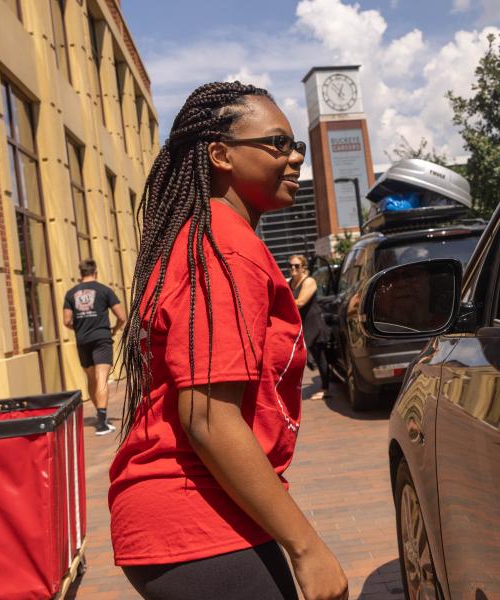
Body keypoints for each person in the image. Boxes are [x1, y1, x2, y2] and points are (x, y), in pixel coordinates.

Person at [108, 82, 348, 600]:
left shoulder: (211, 236)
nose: (296, 158)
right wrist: (307, 548)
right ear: (220, 154)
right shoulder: (224, 247)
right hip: (193, 515)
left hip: (204, 510)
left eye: (297, 146)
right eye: (278, 144)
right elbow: (209, 419)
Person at [63, 259, 127, 436]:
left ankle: (100, 415)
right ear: (95, 272)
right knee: (101, 379)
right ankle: (102, 423)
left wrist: (80, 327)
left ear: (81, 273)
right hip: (101, 339)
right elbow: (122, 316)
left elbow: (66, 321)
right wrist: (114, 329)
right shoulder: (104, 290)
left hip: (83, 340)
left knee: (91, 378)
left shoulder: (71, 293)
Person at [288, 254, 330, 398]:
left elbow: (300, 302)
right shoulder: (290, 283)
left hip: (313, 323)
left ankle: (326, 389)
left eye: (297, 266)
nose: (293, 268)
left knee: (320, 356)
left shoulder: (309, 281)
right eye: (291, 266)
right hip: (301, 326)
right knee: (303, 357)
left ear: (304, 268)